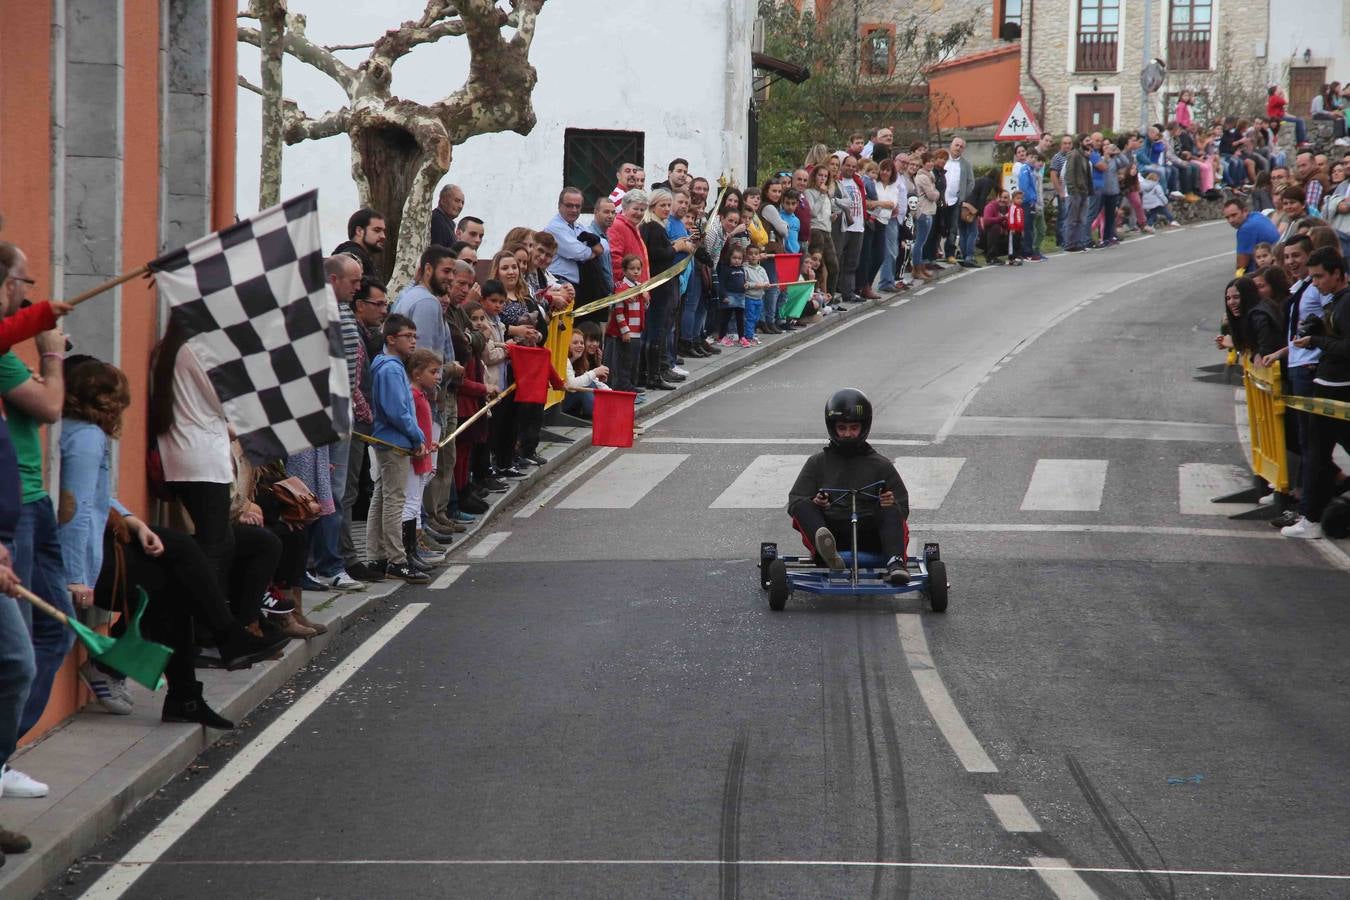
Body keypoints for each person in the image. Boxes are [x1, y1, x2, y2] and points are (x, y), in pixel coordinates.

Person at [59, 359, 287, 726]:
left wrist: (133, 521)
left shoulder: (81, 432)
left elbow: (97, 497)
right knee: (177, 576)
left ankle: (195, 682)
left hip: (98, 548)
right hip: (88, 562)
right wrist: (77, 577)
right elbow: (76, 509)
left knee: (179, 550)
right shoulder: (85, 438)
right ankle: (213, 656)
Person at [787, 389, 912, 586]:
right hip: (832, 533)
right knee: (802, 506)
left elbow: (903, 507)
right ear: (832, 427)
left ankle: (895, 563)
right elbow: (795, 501)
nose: (847, 434)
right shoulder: (818, 463)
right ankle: (828, 553)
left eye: (853, 428)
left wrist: (888, 502)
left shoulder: (880, 465)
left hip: (871, 533)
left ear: (864, 428)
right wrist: (816, 503)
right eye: (842, 428)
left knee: (891, 509)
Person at [1285, 246, 1350, 539]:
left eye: (1320, 277)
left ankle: (1311, 519)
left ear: (1337, 274)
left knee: (1315, 454)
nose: (1315, 283)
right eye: (1312, 278)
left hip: (1337, 393)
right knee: (1315, 454)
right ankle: (1311, 517)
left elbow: (1346, 348)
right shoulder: (1335, 301)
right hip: (1328, 389)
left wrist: (1318, 340)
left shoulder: (1345, 303)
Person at [364, 314, 430, 584]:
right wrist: (417, 437)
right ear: (391, 339)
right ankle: (396, 559)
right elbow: (398, 411)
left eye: (415, 336)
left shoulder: (389, 364)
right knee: (394, 500)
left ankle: (377, 555)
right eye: (407, 336)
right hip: (394, 442)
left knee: (381, 496)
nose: (413, 341)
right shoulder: (391, 368)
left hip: (389, 440)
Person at [606, 255, 645, 391]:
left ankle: (631, 384)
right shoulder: (621, 288)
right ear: (624, 270)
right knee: (624, 361)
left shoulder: (640, 287)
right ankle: (623, 385)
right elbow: (619, 311)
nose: (636, 272)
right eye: (632, 269)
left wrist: (645, 299)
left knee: (634, 360)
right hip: (627, 332)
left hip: (637, 331)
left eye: (638, 269)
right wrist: (625, 331)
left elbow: (644, 308)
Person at [1224, 197, 1281, 274]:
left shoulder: (1246, 229)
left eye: (1234, 215)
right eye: (1227, 217)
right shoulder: (1257, 215)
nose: (1231, 220)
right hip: (1277, 264)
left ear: (1245, 211)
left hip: (1266, 271)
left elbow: (1242, 264)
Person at [332, 208, 386, 279]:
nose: (383, 236)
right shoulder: (353, 257)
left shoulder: (361, 257)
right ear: (359, 231)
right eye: (377, 230)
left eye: (383, 231)